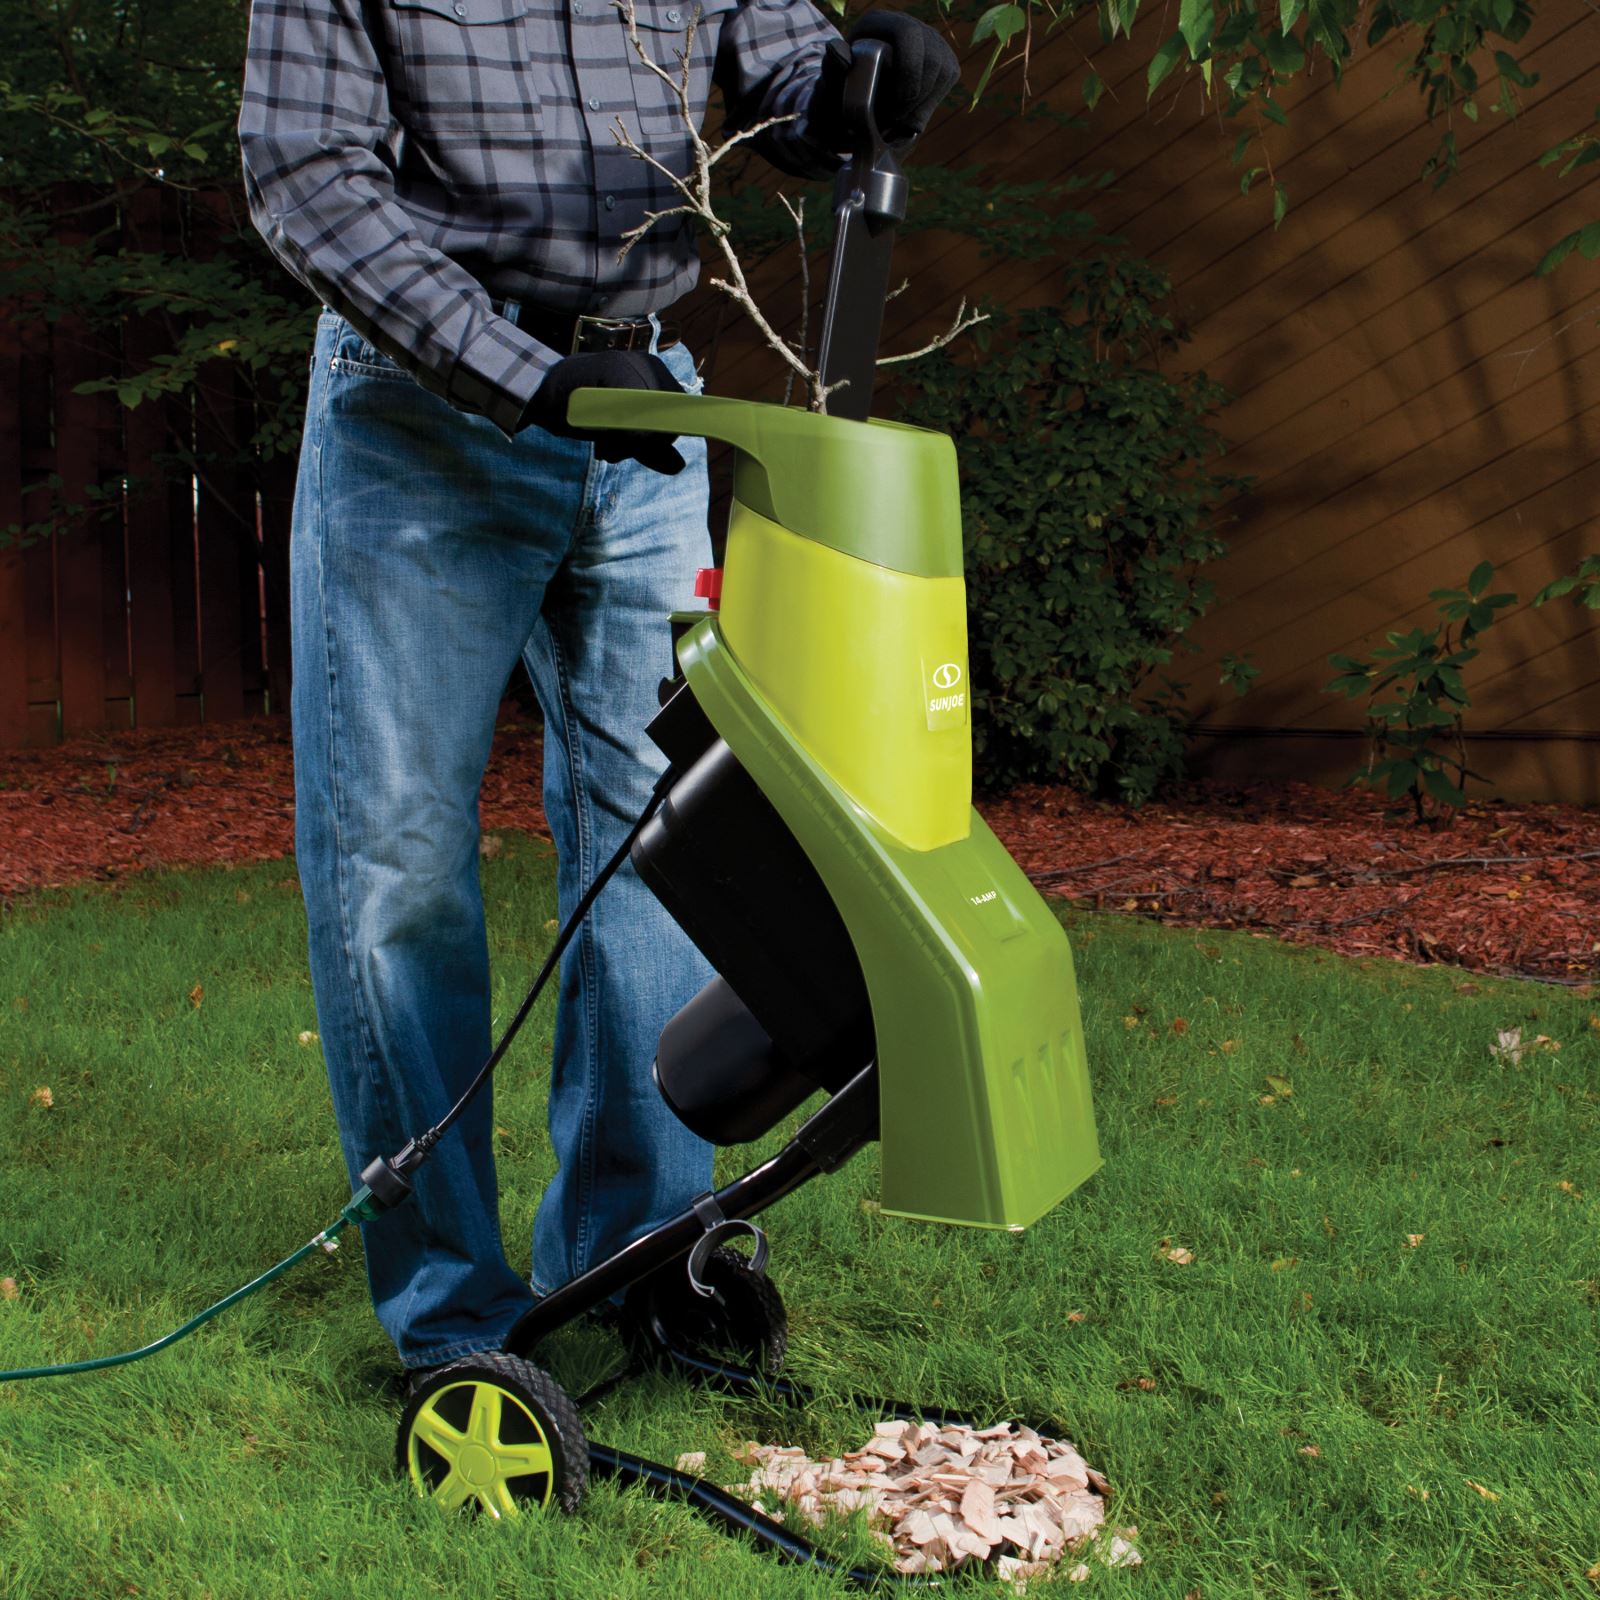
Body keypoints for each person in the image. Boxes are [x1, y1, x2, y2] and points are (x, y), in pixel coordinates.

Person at [237, 0, 958, 1381]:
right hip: (420, 411)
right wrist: (521, 376)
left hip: (648, 398)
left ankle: (635, 1269)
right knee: (397, 866)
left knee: (668, 848)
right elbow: (303, 174)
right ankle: (452, 1315)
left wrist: (859, 85)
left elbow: (788, 83)